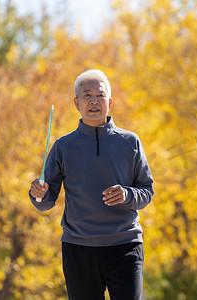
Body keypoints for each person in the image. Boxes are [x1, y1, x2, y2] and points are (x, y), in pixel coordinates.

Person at [29, 69, 154, 300]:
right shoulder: (63, 146)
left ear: (110, 101)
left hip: (125, 245)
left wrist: (127, 195)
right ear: (77, 103)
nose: (94, 101)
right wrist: (37, 193)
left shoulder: (130, 142)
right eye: (87, 95)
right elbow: (45, 201)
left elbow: (147, 191)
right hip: (78, 249)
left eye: (100, 95)